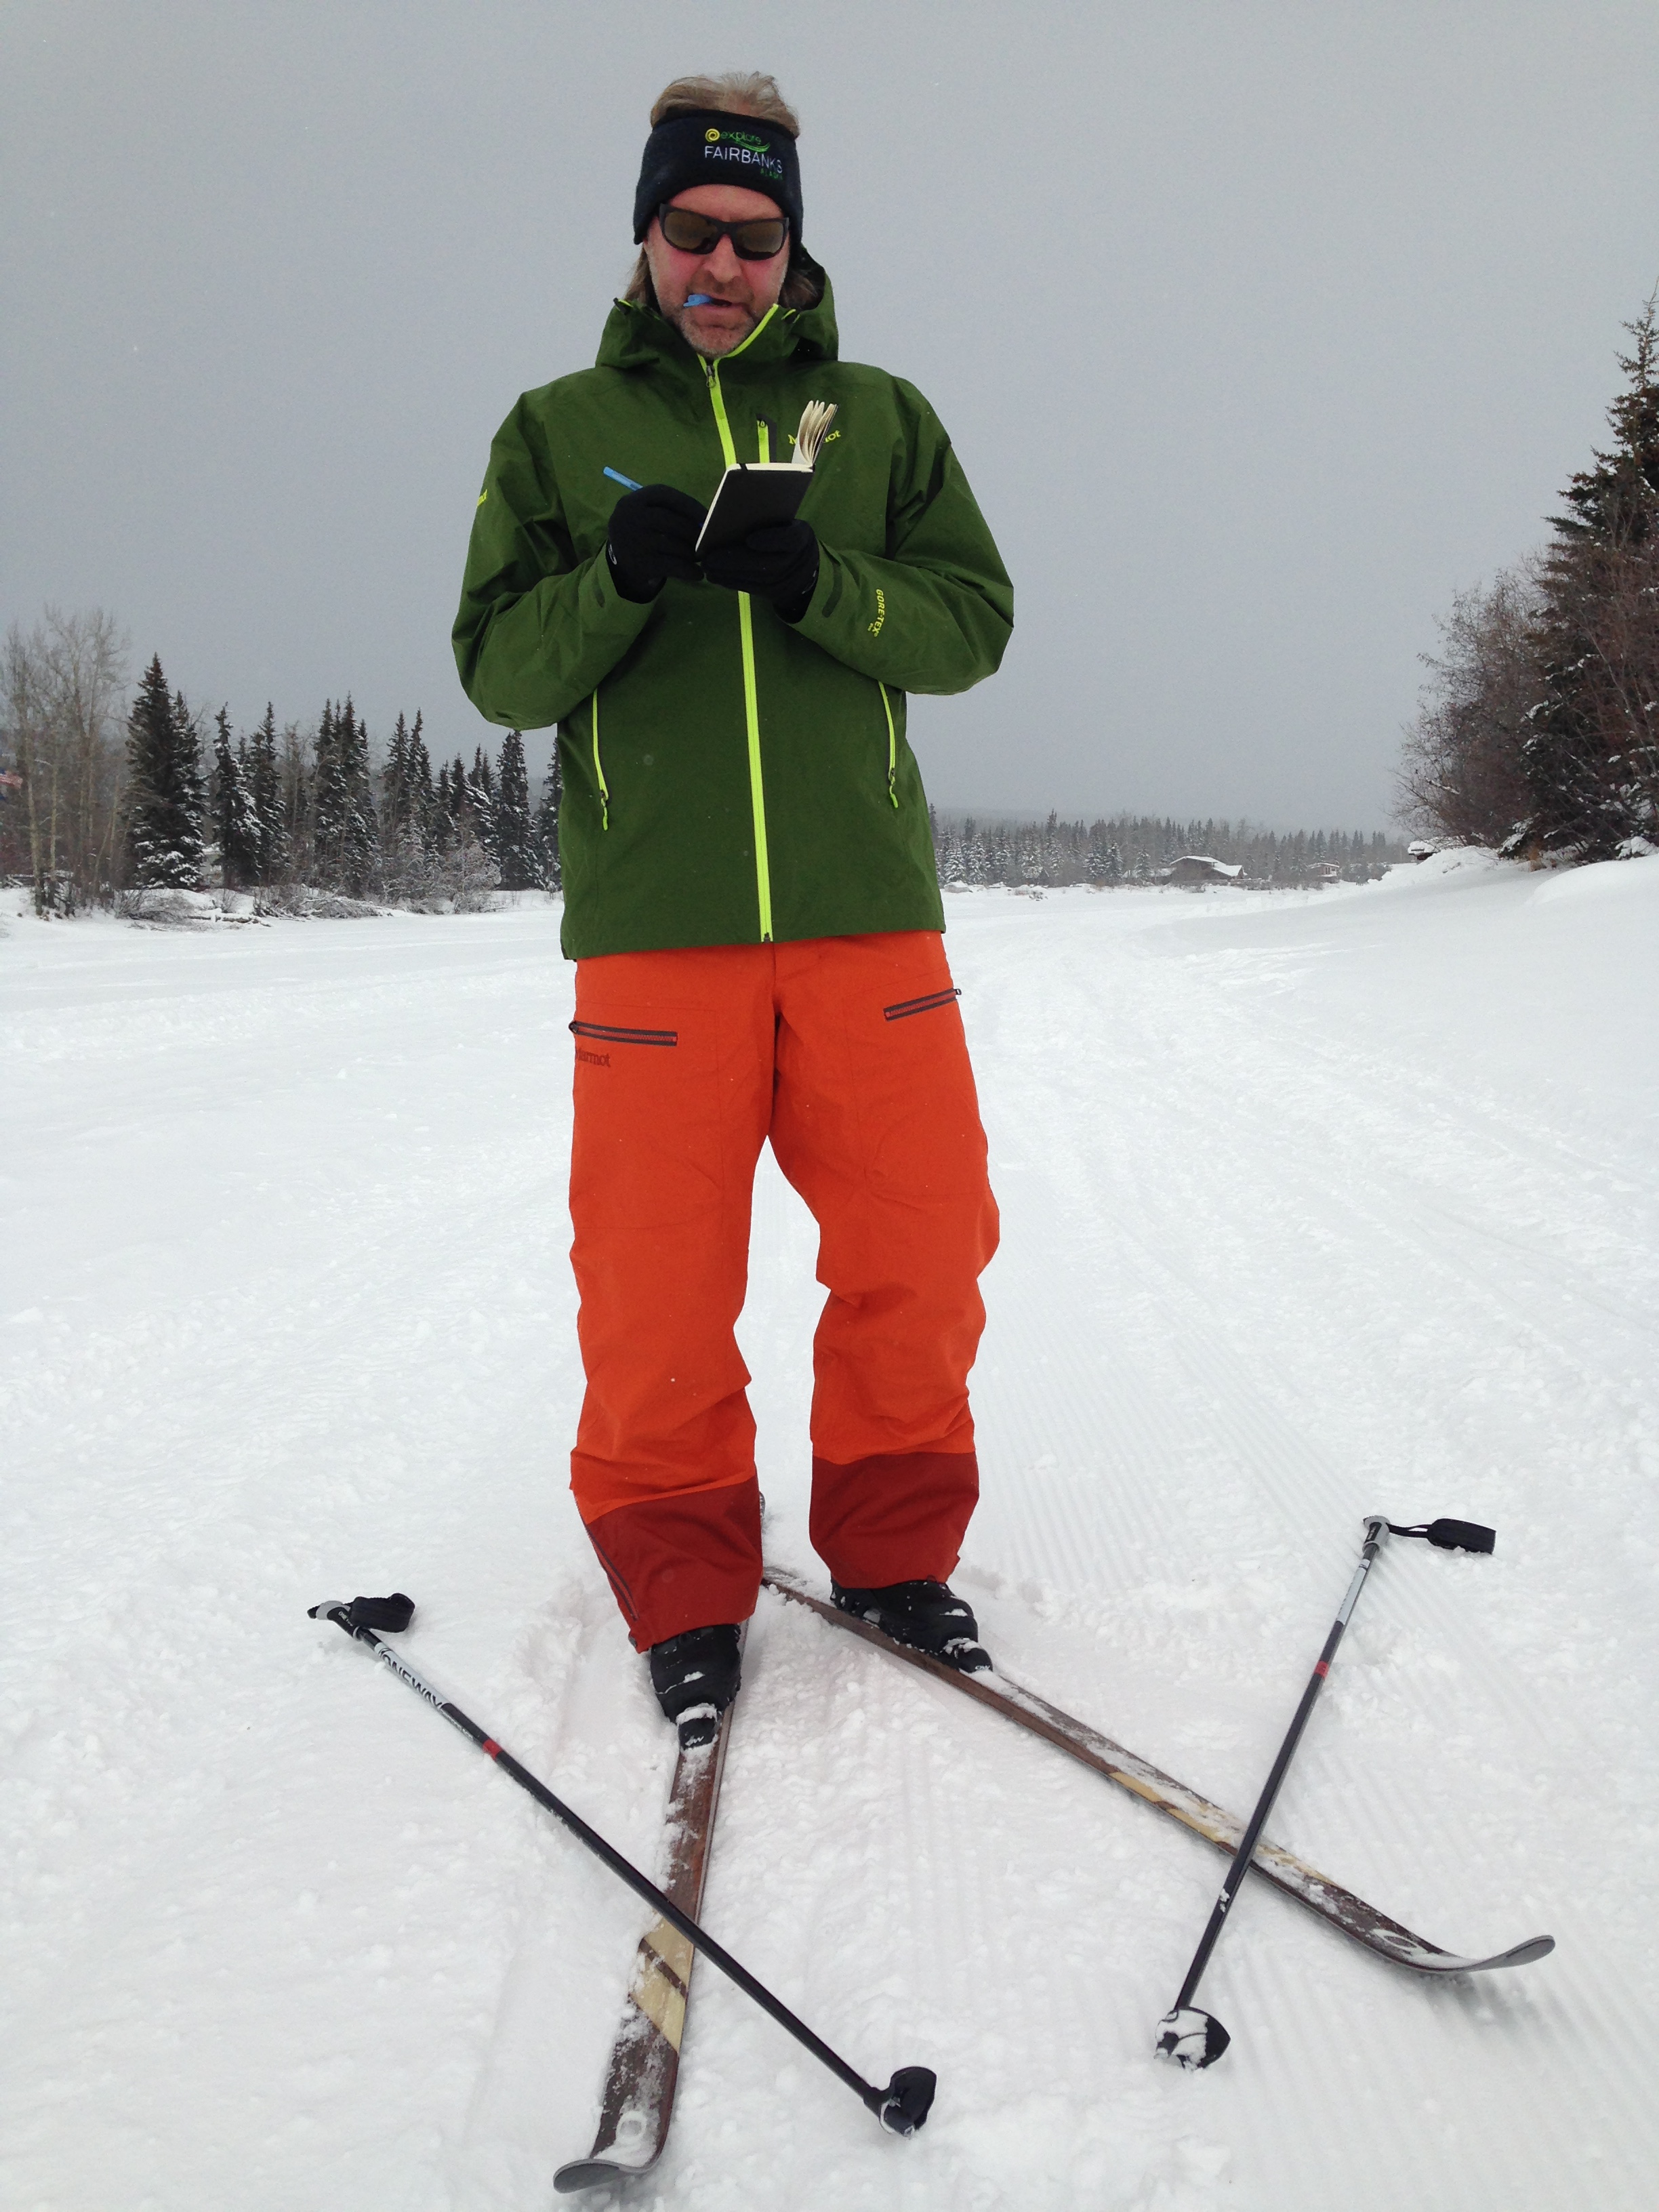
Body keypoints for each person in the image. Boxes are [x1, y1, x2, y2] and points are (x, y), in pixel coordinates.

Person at [453, 73, 1012, 1746]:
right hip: (657, 936)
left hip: (867, 923)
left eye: (757, 238)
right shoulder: (552, 428)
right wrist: (617, 578)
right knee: (656, 1290)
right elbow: (496, 670)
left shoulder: (884, 416)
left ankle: (897, 1558)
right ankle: (686, 1587)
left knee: (922, 1252)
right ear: (644, 234)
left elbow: (972, 624)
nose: (725, 264)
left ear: (793, 247)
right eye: (694, 229)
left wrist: (824, 583)